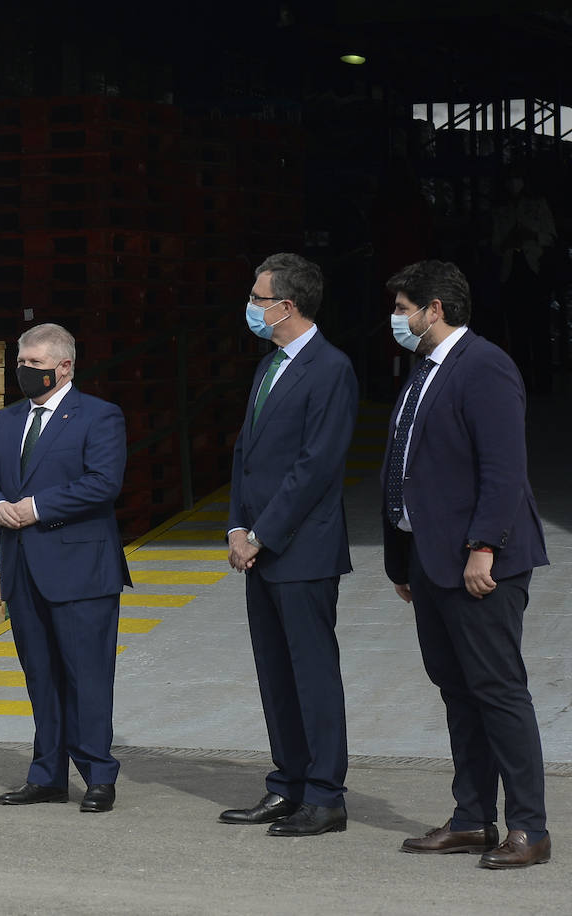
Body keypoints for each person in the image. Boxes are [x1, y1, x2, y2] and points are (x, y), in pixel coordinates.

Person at [381, 260, 551, 869]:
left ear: (436, 309)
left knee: (498, 692)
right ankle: (473, 818)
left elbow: (504, 467)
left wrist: (486, 545)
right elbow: (407, 465)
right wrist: (401, 558)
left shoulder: (484, 366)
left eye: (403, 308)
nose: (395, 319)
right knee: (458, 692)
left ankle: (529, 828)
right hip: (431, 561)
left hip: (480, 564)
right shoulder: (423, 371)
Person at [219, 253, 358, 837]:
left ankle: (325, 795)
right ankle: (288, 784)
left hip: (300, 549)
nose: (251, 306)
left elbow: (315, 467)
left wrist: (262, 534)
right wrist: (234, 527)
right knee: (275, 673)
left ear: (287, 305)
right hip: (258, 547)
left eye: (258, 297)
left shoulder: (331, 369)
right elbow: (246, 456)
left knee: (311, 673)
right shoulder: (270, 365)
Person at [0, 322, 129, 814]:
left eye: (34, 364)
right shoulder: (9, 419)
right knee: (40, 677)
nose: (24, 371)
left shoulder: (100, 417)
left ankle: (98, 776)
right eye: (20, 362)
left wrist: (36, 507)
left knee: (87, 677)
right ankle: (47, 775)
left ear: (64, 366)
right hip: (24, 569)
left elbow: (103, 483)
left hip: (81, 571)